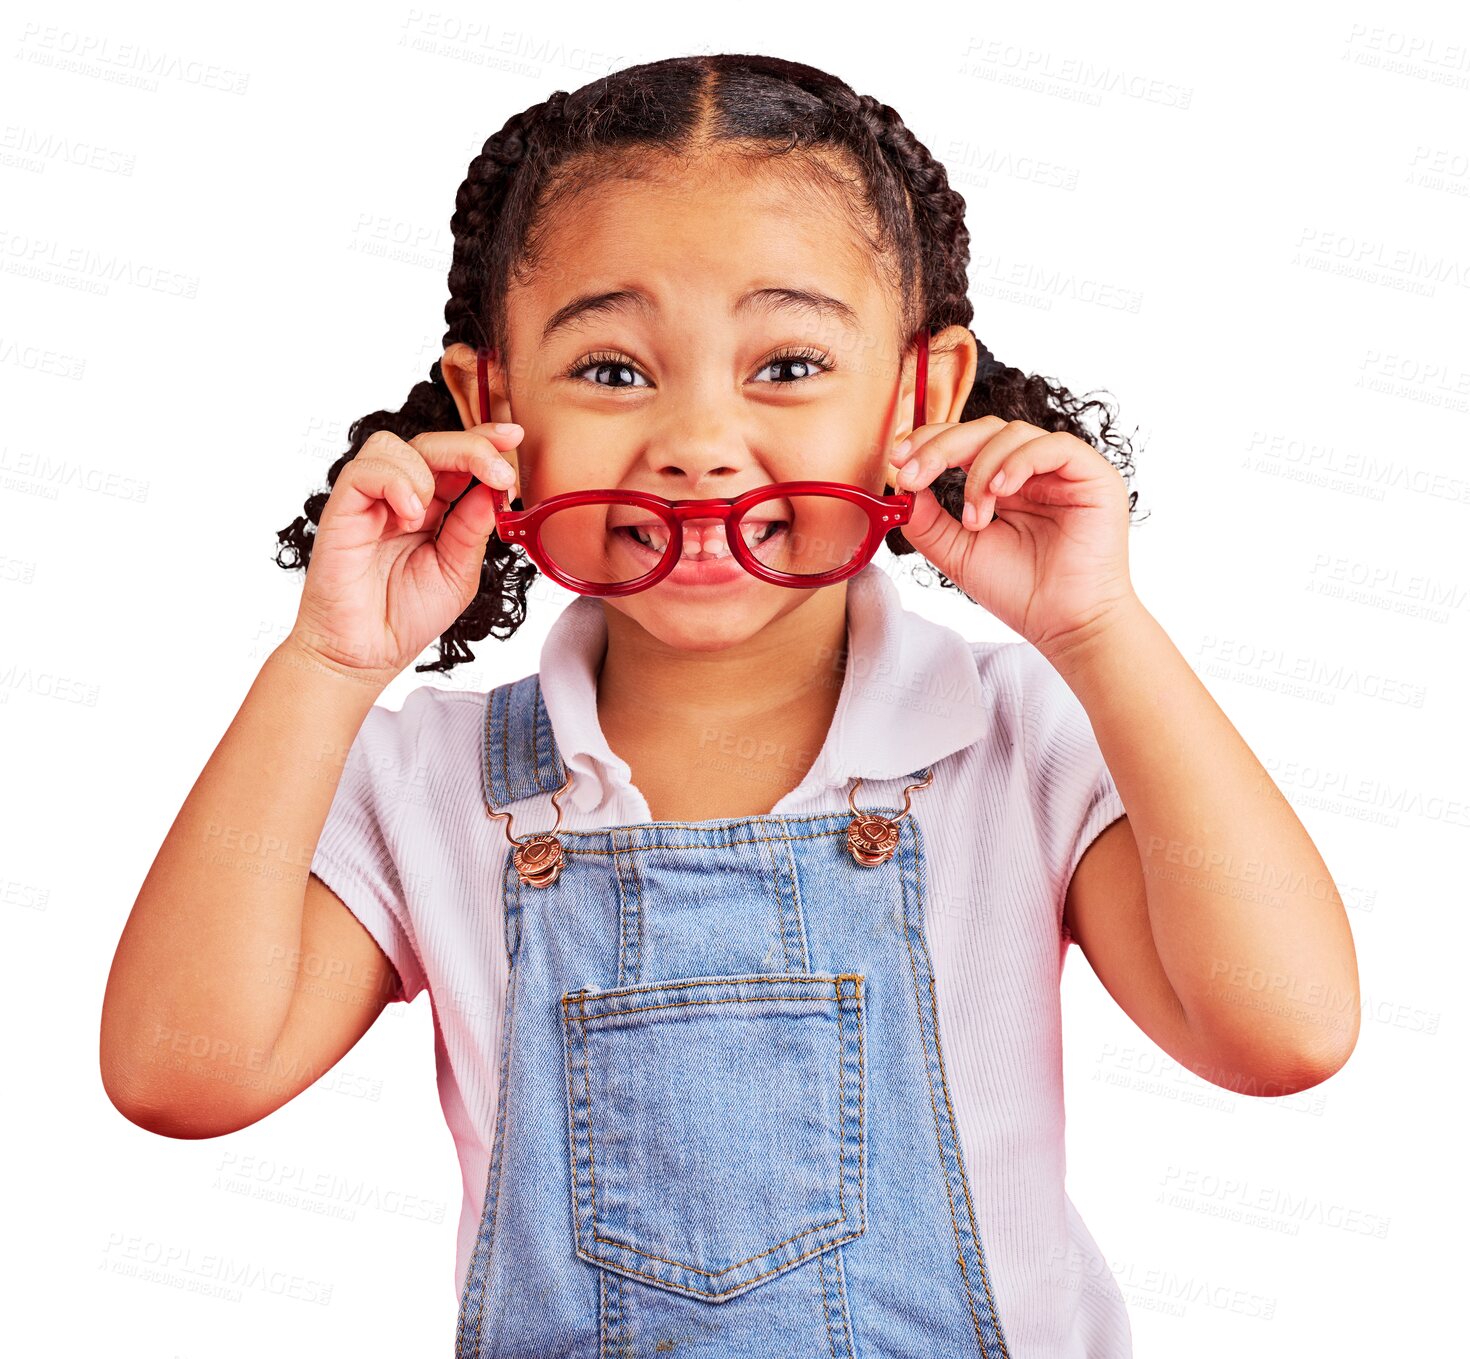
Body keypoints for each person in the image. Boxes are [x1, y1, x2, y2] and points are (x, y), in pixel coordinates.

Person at [101, 54, 1361, 1359]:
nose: (698, 439)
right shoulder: (428, 777)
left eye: (789, 362)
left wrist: (1098, 634)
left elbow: (1280, 1031)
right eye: (610, 370)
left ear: (915, 401)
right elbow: (181, 1072)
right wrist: (325, 666)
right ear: (494, 406)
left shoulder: (1025, 736)